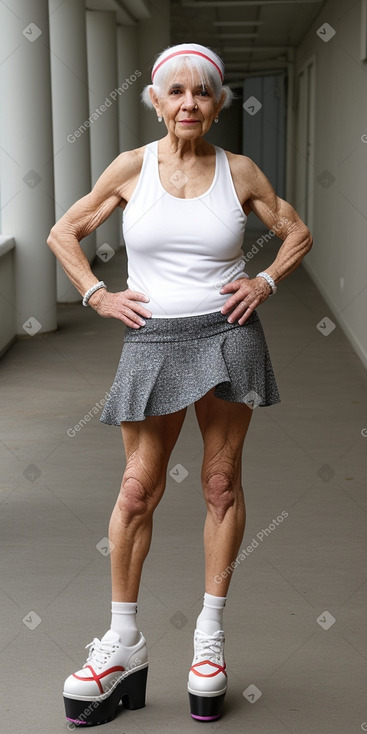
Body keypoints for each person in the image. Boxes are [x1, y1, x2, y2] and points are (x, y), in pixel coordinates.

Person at [47, 43, 312, 727]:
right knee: (138, 488)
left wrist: (265, 279)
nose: (189, 103)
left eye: (201, 93)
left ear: (217, 104)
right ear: (157, 102)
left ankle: (209, 637)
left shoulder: (239, 170)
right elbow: (63, 232)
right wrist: (97, 295)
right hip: (152, 338)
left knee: (220, 484)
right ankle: (124, 642)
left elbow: (295, 230)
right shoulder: (131, 167)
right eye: (175, 92)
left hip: (226, 335)